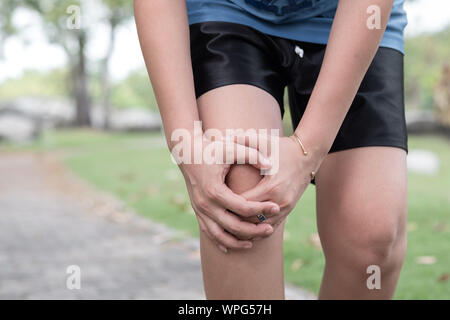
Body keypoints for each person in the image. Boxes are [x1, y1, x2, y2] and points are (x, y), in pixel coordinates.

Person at [134, 0, 408, 299]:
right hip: (227, 9)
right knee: (241, 197)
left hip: (353, 16)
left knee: (372, 238)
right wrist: (185, 143)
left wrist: (307, 151)